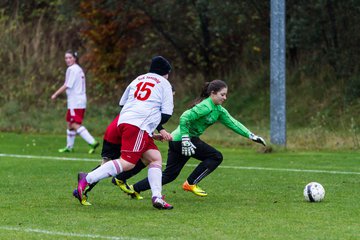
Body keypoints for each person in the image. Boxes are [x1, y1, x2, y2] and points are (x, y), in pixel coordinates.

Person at [113, 79, 266, 198]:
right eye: (222, 94)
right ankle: (191, 183)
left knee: (169, 175)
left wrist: (251, 135)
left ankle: (135, 189)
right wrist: (186, 138)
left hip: (177, 140)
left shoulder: (218, 110)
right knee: (216, 156)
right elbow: (185, 117)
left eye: (226, 94)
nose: (225, 97)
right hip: (183, 140)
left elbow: (233, 123)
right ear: (213, 93)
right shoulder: (206, 106)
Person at [73, 56, 175, 209]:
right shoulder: (165, 83)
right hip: (139, 125)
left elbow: (122, 103)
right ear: (165, 72)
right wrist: (152, 123)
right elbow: (166, 114)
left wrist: (148, 129)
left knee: (155, 158)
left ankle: (157, 197)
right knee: (127, 163)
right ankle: (87, 178)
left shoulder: (138, 79)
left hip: (125, 121)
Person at [51, 50, 99, 154]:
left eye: (70, 57)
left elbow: (67, 85)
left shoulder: (72, 69)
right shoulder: (78, 69)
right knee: (69, 123)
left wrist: (55, 94)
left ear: (75, 58)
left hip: (75, 101)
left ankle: (92, 142)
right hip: (79, 100)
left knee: (74, 124)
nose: (68, 60)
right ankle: (69, 147)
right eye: (66, 58)